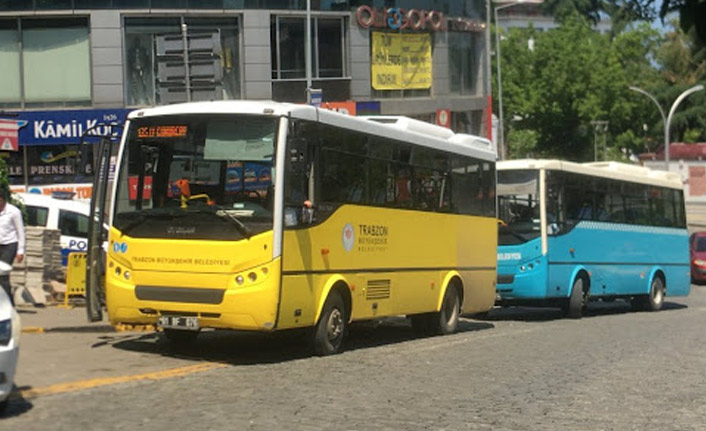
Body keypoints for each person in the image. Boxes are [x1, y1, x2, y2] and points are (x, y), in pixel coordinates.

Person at [0, 191, 25, 306]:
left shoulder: (14, 212)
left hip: (9, 245)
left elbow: (20, 232)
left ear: (2, 200)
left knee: (3, 273)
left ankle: (8, 304)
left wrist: (20, 251)